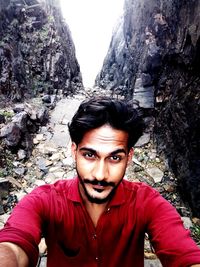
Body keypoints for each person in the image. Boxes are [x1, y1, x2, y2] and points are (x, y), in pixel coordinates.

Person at [0, 96, 200, 267]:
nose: (100, 175)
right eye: (89, 155)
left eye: (115, 158)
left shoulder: (147, 202)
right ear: (73, 151)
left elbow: (183, 253)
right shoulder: (45, 200)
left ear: (129, 157)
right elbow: (13, 246)